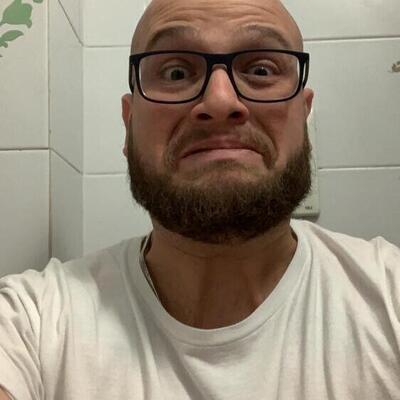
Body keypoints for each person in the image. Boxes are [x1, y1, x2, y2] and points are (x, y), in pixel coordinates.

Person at [1, 0, 399, 398]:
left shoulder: (390, 296)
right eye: (176, 73)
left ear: (303, 115)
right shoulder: (29, 324)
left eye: (261, 70)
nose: (221, 102)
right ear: (128, 123)